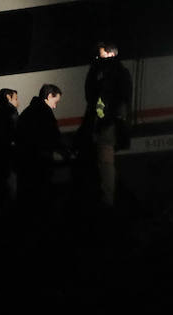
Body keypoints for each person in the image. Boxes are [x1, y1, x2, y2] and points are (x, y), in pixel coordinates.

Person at [76, 42, 132, 211]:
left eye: (100, 56)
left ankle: (107, 201)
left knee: (105, 163)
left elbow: (92, 96)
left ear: (110, 54)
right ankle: (108, 198)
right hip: (106, 124)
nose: (97, 59)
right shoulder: (119, 72)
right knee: (105, 162)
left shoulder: (106, 74)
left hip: (105, 125)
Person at [15, 84, 66, 220]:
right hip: (38, 160)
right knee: (42, 193)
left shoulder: (28, 111)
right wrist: (65, 152)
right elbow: (54, 136)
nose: (55, 106)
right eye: (55, 102)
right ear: (49, 96)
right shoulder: (44, 112)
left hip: (25, 160)